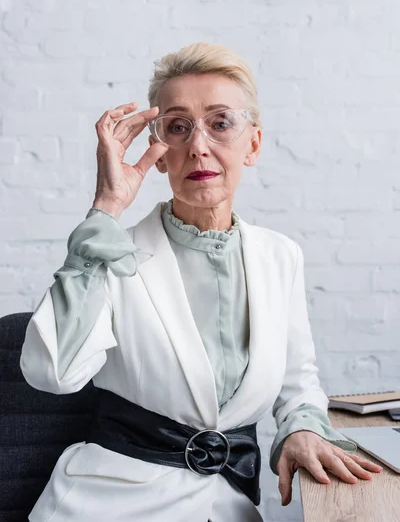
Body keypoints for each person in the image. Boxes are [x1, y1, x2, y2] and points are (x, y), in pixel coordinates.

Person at [20, 42, 382, 522]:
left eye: (220, 122)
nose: (198, 145)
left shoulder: (280, 256)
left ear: (252, 144)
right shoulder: (110, 252)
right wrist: (106, 208)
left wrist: (301, 428)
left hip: (227, 505)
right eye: (177, 126)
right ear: (162, 154)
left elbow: (297, 383)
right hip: (106, 505)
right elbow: (52, 373)